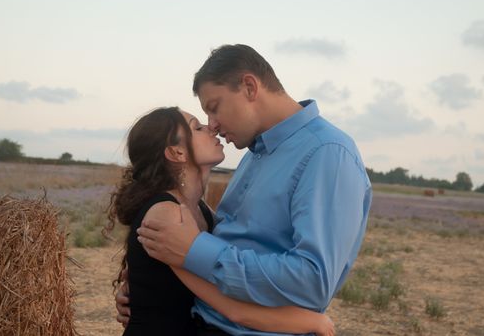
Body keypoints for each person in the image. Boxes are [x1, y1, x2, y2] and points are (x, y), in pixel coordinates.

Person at [119, 44, 372, 335]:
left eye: (214, 108)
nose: (212, 125)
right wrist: (148, 292)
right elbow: (229, 242)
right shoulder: (255, 152)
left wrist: (194, 251)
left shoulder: (326, 152)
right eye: (202, 120)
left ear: (250, 87)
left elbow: (311, 282)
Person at [107, 107, 335, 335]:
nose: (211, 128)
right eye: (197, 128)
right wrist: (311, 322)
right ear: (177, 153)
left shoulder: (199, 209)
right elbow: (231, 308)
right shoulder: (167, 214)